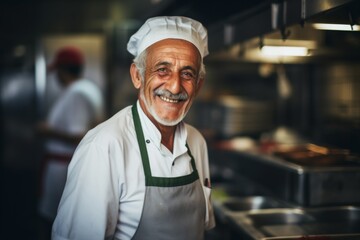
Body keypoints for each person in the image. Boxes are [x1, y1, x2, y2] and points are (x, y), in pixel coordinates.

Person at [52, 16, 215, 240]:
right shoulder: (104, 147)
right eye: (162, 70)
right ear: (137, 76)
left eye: (187, 73)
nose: (175, 86)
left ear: (198, 85)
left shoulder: (197, 142)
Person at [37, 46, 105, 239]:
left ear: (63, 70)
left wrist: (47, 131)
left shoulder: (77, 93)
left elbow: (79, 136)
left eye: (57, 71)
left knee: (57, 222)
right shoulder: (87, 89)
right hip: (66, 166)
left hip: (64, 167)